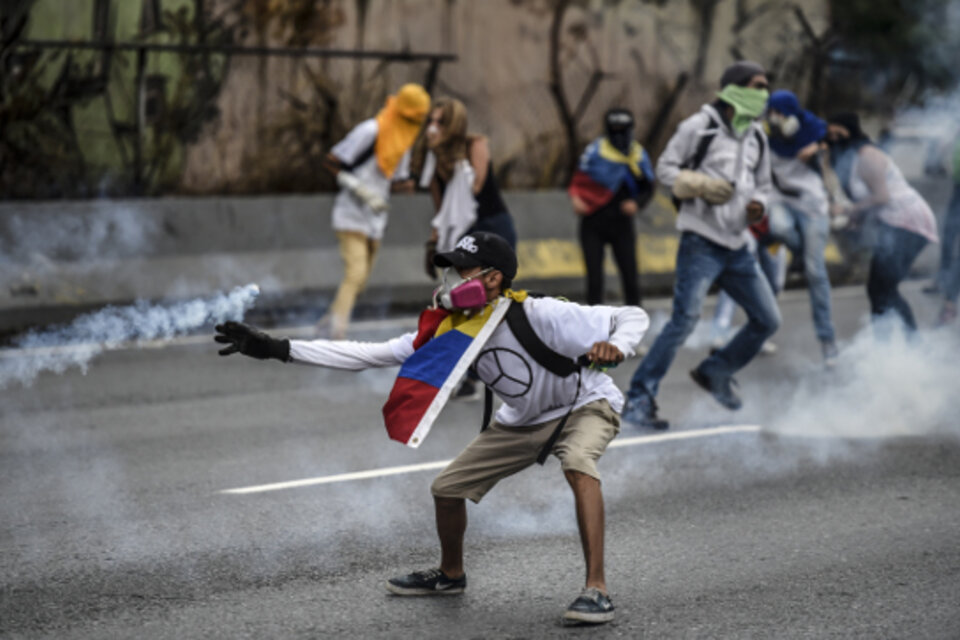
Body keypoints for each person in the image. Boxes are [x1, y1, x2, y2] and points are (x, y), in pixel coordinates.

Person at [214, 231, 649, 625]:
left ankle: (597, 590)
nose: (448, 280)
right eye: (449, 270)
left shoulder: (540, 313)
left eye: (461, 271)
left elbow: (632, 316)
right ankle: (451, 574)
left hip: (583, 405)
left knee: (576, 460)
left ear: (493, 279)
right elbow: (369, 354)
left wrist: (618, 345)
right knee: (446, 488)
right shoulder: (451, 330)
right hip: (522, 422)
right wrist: (276, 348)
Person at [621, 60, 780, 431]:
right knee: (685, 320)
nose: (763, 94)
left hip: (739, 245)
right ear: (734, 89)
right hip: (701, 242)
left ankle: (716, 371)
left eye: (765, 87)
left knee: (768, 319)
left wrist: (759, 206)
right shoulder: (700, 126)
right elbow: (665, 170)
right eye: (756, 86)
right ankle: (640, 398)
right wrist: (702, 185)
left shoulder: (757, 135)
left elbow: (764, 185)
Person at [409, 96, 519, 400]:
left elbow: (474, 187)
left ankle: (503, 365)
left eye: (440, 122)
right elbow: (442, 207)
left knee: (493, 301)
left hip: (493, 228)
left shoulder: (475, 145)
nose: (433, 127)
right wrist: (433, 242)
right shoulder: (434, 162)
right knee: (462, 302)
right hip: (465, 233)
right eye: (431, 121)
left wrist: (446, 158)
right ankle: (469, 376)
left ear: (454, 124)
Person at [317, 83, 431, 339]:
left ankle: (330, 319)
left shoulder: (404, 140)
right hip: (351, 213)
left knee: (361, 280)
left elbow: (395, 179)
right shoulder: (370, 130)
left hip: (376, 217)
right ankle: (338, 330)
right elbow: (332, 161)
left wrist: (412, 184)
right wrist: (358, 188)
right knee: (355, 273)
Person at [827, 112, 939, 334]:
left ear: (847, 130)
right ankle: (887, 346)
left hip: (910, 221)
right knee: (881, 289)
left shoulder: (867, 156)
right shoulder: (854, 158)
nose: (832, 139)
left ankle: (904, 343)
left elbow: (881, 197)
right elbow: (871, 202)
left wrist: (848, 210)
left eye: (835, 133)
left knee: (882, 288)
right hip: (895, 222)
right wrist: (855, 218)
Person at [763, 89, 839, 364]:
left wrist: (818, 148)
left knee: (815, 273)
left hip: (812, 205)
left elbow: (836, 142)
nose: (775, 118)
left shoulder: (813, 130)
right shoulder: (766, 137)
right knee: (779, 228)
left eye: (780, 113)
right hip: (781, 200)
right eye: (771, 112)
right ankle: (798, 252)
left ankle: (828, 341)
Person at [567, 108, 656, 306]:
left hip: (622, 225)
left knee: (630, 278)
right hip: (593, 223)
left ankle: (635, 323)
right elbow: (577, 180)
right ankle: (593, 327)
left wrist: (637, 203)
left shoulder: (637, 155)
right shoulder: (595, 152)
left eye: (622, 129)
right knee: (595, 280)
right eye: (614, 130)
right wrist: (576, 198)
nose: (618, 135)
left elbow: (648, 187)